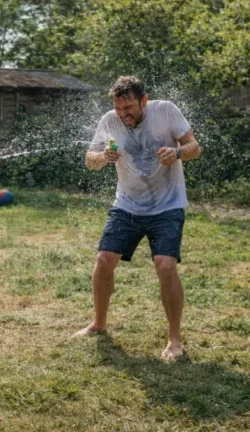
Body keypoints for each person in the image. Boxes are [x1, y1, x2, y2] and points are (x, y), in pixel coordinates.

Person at [75, 76, 202, 361]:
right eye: (119, 109)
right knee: (104, 260)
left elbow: (195, 147)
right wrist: (104, 157)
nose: (124, 115)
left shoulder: (166, 110)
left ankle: (174, 340)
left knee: (165, 266)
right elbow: (90, 160)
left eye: (129, 108)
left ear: (144, 100)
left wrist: (178, 152)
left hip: (167, 205)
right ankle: (99, 323)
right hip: (127, 205)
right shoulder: (109, 120)